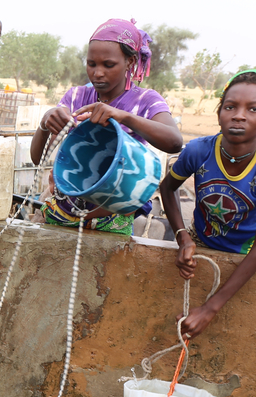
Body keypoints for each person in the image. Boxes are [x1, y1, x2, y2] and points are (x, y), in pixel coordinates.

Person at [31, 18, 182, 235]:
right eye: (91, 64)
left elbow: (174, 142)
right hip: (64, 211)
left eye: (108, 65)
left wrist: (124, 117)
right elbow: (38, 159)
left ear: (129, 62)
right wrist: (45, 124)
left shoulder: (145, 101)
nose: (97, 73)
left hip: (111, 217)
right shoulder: (76, 97)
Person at [158, 70, 256, 338]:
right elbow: (167, 188)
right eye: (230, 106)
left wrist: (210, 308)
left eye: (253, 109)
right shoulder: (198, 151)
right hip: (200, 241)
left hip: (245, 254)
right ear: (218, 113)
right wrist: (182, 238)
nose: (239, 115)